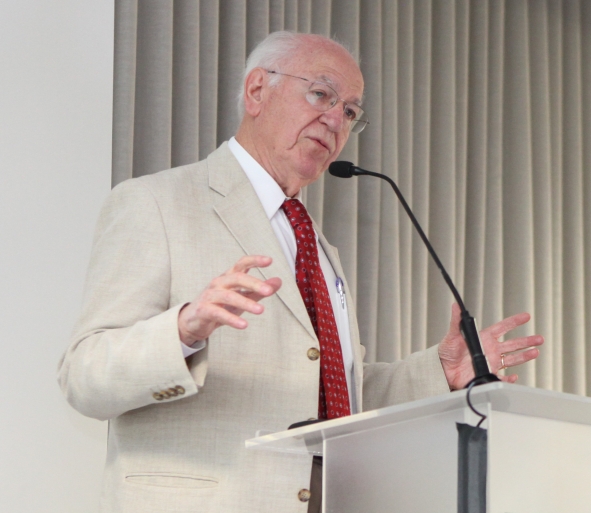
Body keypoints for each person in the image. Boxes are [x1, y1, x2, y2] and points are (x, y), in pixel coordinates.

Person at [58, 31, 544, 513]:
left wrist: (438, 370)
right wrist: (184, 330)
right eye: (321, 94)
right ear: (257, 91)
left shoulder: (315, 242)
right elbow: (84, 375)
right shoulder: (156, 202)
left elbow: (331, 396)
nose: (335, 120)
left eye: (350, 112)